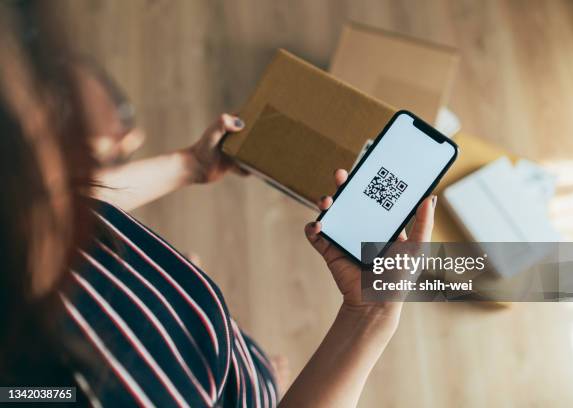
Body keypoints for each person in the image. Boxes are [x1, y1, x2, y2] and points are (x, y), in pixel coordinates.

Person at [0, 2, 436, 407]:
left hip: (225, 359)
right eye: (53, 131)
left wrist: (187, 165)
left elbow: (82, 201)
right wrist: (371, 315)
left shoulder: (33, 220)